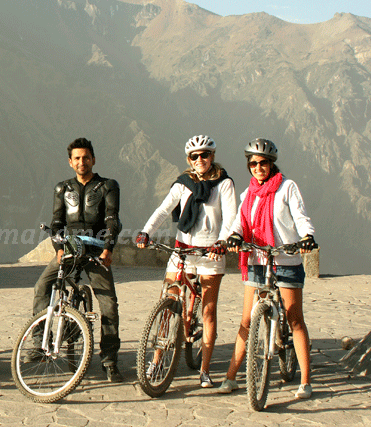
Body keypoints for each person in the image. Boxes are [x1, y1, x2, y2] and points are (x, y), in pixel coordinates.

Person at [218, 138, 317, 399]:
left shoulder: (287, 187)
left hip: (285, 260)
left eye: (263, 163)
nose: (258, 167)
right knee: (246, 321)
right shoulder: (247, 194)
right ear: (248, 165)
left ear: (271, 164)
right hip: (257, 261)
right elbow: (240, 222)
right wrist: (235, 237)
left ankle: (305, 382)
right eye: (253, 163)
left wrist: (306, 236)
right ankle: (230, 377)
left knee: (295, 320)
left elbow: (300, 216)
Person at [135, 135, 236, 388]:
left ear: (212, 156)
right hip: (182, 250)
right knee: (168, 305)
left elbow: (232, 218)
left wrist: (222, 243)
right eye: (194, 156)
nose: (200, 160)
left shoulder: (224, 184)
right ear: (188, 160)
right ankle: (157, 360)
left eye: (204, 155)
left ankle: (205, 370)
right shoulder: (184, 183)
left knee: (209, 311)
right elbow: (163, 209)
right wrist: (146, 232)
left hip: (210, 253)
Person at [31, 137, 124, 382]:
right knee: (42, 287)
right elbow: (57, 222)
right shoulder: (62, 188)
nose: (82, 162)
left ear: (93, 159)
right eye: (77, 158)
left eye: (86, 157)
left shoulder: (107, 186)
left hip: (95, 251)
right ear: (70, 162)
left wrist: (108, 248)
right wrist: (58, 249)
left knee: (109, 305)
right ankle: (39, 342)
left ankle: (109, 360)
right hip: (69, 248)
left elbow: (112, 220)